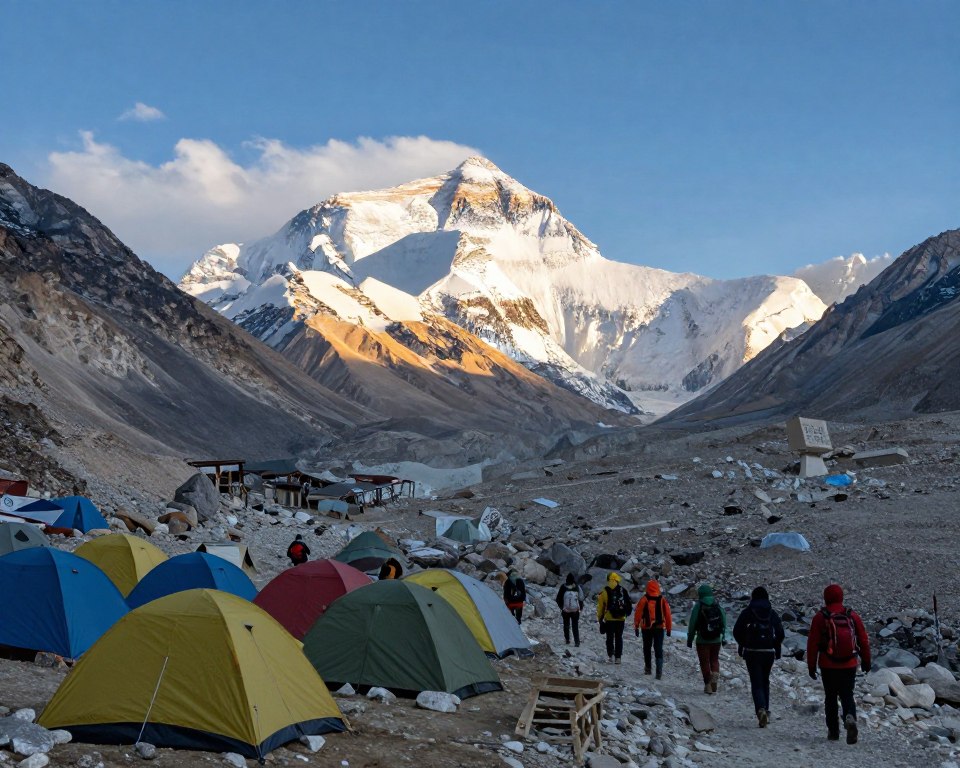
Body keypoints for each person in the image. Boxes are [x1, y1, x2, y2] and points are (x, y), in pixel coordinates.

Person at [807, 584, 871, 744]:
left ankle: (833, 732)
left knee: (830, 697)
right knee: (847, 694)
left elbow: (812, 643)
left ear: (826, 597)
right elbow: (863, 639)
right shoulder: (851, 615)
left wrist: (811, 666)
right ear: (841, 597)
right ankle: (849, 716)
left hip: (828, 664)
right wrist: (866, 661)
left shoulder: (820, 617)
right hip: (849, 664)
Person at [733, 586, 785, 728]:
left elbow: (736, 631)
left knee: (756, 683)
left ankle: (760, 709)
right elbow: (780, 633)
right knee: (765, 681)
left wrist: (744, 643)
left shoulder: (748, 612)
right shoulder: (771, 612)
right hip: (768, 652)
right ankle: (766, 711)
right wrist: (774, 644)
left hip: (752, 651)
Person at [687, 583, 727, 694]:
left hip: (702, 640)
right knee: (714, 659)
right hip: (716, 639)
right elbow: (723, 620)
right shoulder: (717, 604)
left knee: (704, 662)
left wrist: (690, 639)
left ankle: (708, 685)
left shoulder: (698, 606)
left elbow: (692, 623)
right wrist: (723, 636)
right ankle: (715, 674)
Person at [633, 579, 672, 679]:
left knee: (647, 648)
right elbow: (668, 615)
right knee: (658, 648)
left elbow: (638, 613)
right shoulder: (662, 599)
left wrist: (636, 626)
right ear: (657, 588)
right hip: (659, 628)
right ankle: (659, 672)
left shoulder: (644, 599)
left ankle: (648, 668)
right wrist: (668, 628)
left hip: (646, 628)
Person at [597, 572, 632, 664]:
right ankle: (618, 658)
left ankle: (610, 655)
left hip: (609, 618)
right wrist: (626, 614)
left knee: (609, 637)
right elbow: (628, 603)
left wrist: (600, 619)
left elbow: (600, 607)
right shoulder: (623, 590)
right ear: (617, 579)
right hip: (621, 618)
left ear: (608, 579)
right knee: (619, 638)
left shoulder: (604, 591)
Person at [556, 573, 585, 646]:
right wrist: (580, 608)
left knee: (566, 625)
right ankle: (577, 642)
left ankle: (567, 640)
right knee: (575, 626)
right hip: (575, 611)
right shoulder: (577, 587)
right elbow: (581, 598)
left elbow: (558, 598)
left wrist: (562, 607)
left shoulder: (563, 587)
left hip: (565, 610)